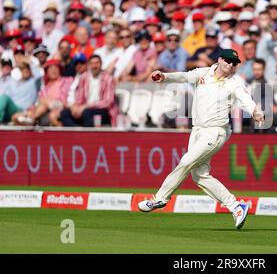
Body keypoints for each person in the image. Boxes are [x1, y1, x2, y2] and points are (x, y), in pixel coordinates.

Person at [138, 49, 265, 230]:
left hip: (216, 132)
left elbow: (246, 99)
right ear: (220, 59)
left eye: (234, 63)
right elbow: (184, 77)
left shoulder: (233, 83)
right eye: (228, 61)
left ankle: (159, 199)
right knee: (199, 176)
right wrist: (164, 76)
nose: (230, 65)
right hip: (197, 130)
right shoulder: (204, 73)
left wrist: (255, 112)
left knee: (186, 161)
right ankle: (236, 207)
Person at [60, 54, 118, 127]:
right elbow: (79, 98)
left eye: (97, 63)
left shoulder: (108, 78)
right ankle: (75, 133)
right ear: (89, 65)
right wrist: (74, 107)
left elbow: (108, 102)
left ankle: (89, 137)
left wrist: (86, 106)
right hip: (86, 108)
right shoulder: (84, 77)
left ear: (101, 64)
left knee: (87, 113)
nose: (94, 66)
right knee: (65, 113)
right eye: (92, 63)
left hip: (104, 111)